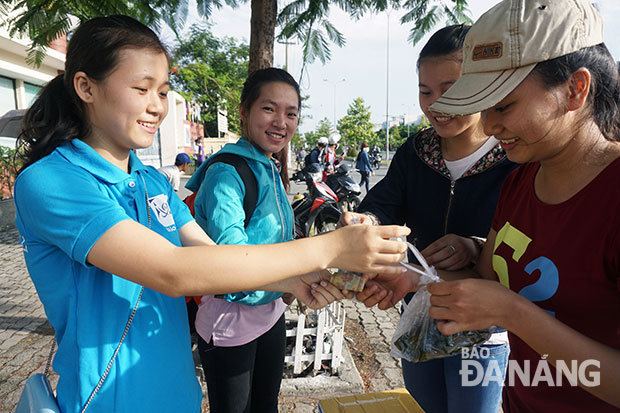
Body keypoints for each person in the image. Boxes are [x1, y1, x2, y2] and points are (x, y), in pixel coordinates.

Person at [12, 15, 411, 413]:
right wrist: (333, 247)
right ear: (86, 87)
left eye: (164, 92)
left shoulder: (152, 181)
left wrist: (294, 280)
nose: (157, 107)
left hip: (179, 395)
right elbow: (174, 270)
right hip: (108, 400)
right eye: (141, 89)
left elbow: (211, 256)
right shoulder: (52, 182)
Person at [359, 0, 620, 410]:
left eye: (503, 106)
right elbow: (488, 279)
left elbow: (506, 302)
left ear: (576, 89)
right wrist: (418, 278)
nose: (491, 124)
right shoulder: (520, 181)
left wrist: (515, 314)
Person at [341, 24, 519, 413]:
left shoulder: (513, 158)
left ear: (483, 84)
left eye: (452, 88)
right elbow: (383, 205)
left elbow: (525, 237)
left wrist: (476, 246)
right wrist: (365, 224)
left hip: (482, 328)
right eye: (425, 91)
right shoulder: (415, 151)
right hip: (418, 314)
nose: (437, 103)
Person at [184, 68, 301, 413]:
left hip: (270, 310)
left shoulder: (268, 164)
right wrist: (291, 279)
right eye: (269, 109)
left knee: (266, 404)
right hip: (230, 317)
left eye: (291, 113)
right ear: (244, 111)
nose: (281, 121)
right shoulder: (227, 173)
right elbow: (232, 259)